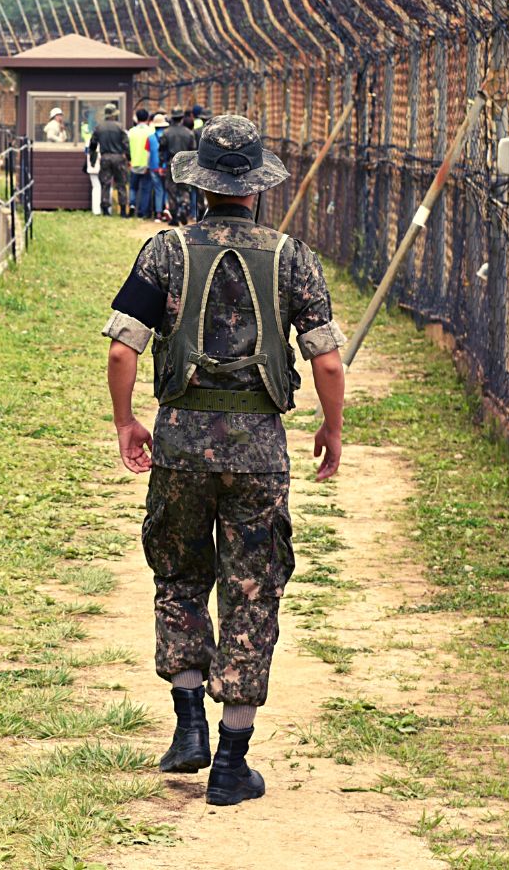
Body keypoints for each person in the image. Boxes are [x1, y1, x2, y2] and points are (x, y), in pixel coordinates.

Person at [101, 113, 347, 806]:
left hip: (180, 440)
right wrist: (332, 428)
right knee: (252, 586)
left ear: (199, 183)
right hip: (259, 449)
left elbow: (124, 348)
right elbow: (325, 359)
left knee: (179, 571)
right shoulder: (292, 256)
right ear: (257, 185)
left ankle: (187, 729)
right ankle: (232, 763)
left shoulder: (165, 251)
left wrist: (126, 421)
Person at [86, 103, 131, 216]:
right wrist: (129, 158)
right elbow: (126, 144)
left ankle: (105, 210)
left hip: (105, 157)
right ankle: (122, 211)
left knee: (105, 184)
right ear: (114, 115)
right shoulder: (120, 127)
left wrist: (92, 156)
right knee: (121, 183)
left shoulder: (99, 127)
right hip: (119, 158)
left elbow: (93, 143)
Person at [155, 111, 198, 224]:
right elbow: (193, 150)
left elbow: (161, 150)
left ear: (172, 118)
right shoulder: (189, 133)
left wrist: (161, 164)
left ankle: (174, 217)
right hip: (185, 163)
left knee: (171, 189)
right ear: (182, 118)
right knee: (184, 189)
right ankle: (184, 206)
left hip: (171, 163)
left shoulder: (166, 132)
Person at [127, 107, 157, 220]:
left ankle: (132, 205)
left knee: (133, 187)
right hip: (146, 164)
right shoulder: (151, 131)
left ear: (137, 118)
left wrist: (129, 160)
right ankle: (142, 212)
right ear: (148, 118)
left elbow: (127, 147)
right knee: (146, 189)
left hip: (134, 163)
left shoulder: (131, 131)